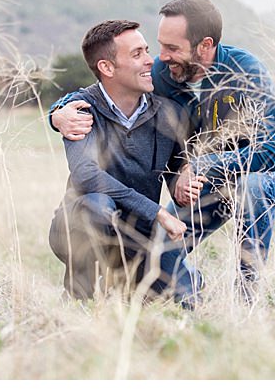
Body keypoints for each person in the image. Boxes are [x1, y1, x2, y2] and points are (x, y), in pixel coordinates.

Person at [51, 0, 275, 305]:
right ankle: (190, 289)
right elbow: (102, 90)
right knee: (160, 255)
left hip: (265, 168)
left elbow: (270, 152)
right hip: (204, 172)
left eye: (172, 48)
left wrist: (201, 165)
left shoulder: (246, 72)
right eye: (159, 46)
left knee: (252, 188)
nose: (161, 57)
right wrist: (58, 113)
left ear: (204, 46)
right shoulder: (161, 73)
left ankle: (246, 299)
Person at [48, 19, 199, 303]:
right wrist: (159, 212)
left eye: (146, 50)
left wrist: (184, 179)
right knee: (97, 205)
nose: (149, 61)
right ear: (107, 68)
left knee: (180, 296)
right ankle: (79, 295)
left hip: (139, 235)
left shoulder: (169, 114)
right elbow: (86, 176)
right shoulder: (78, 110)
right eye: (137, 54)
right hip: (78, 227)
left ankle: (143, 282)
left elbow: (177, 169)